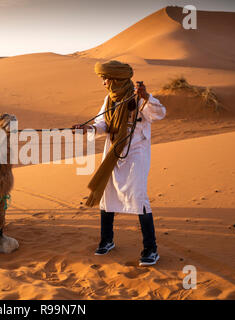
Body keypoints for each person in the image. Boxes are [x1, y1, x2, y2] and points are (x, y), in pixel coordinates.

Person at [73, 60, 166, 266]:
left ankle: (151, 249)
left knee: (139, 196)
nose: (104, 82)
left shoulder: (139, 97)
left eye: (105, 78)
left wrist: (146, 97)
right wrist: (88, 129)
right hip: (114, 152)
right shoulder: (109, 100)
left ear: (116, 79)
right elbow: (103, 124)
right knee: (107, 194)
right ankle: (107, 240)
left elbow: (159, 113)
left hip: (136, 154)